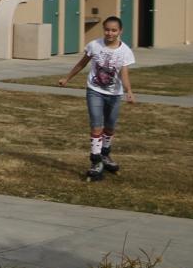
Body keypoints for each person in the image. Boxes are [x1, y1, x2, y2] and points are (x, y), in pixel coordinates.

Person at [58, 15, 136, 180]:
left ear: (120, 31)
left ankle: (105, 155)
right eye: (107, 29)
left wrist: (129, 90)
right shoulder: (94, 45)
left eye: (114, 30)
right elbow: (82, 63)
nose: (110, 33)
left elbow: (124, 74)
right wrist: (67, 78)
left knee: (110, 127)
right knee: (96, 126)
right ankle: (95, 161)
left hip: (114, 94)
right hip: (95, 91)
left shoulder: (125, 51)